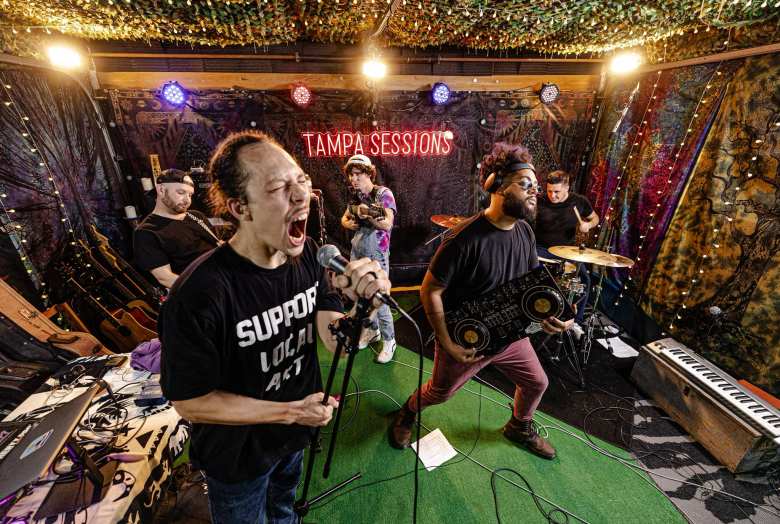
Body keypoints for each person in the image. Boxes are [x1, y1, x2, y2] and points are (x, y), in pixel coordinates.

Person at [158, 131, 391, 524]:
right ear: (240, 208)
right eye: (280, 187)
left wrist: (362, 309)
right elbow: (189, 401)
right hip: (238, 458)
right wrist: (288, 412)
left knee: (283, 510)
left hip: (294, 437)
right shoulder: (200, 292)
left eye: (300, 180)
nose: (302, 196)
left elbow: (336, 341)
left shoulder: (309, 261)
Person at [389, 143, 573, 460]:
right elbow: (429, 290)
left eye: (536, 188)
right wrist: (446, 342)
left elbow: (531, 285)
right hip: (468, 340)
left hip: (510, 338)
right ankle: (407, 412)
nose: (534, 193)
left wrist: (550, 315)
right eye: (525, 185)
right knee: (439, 393)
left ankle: (518, 426)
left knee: (537, 382)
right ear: (495, 185)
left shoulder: (526, 233)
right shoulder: (462, 239)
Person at [340, 154, 398, 364]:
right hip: (357, 254)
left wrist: (368, 214)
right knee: (362, 299)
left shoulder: (383, 194)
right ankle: (373, 332)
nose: (354, 179)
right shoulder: (355, 196)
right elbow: (344, 217)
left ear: (369, 174)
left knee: (380, 301)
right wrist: (348, 223)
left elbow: (387, 224)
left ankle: (390, 340)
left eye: (358, 174)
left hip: (376, 256)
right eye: (351, 175)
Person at [133, 169, 221, 289]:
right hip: (204, 291)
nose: (187, 200)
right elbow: (165, 278)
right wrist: (208, 288)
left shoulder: (195, 216)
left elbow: (218, 245)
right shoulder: (146, 232)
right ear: (161, 190)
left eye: (190, 195)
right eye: (181, 192)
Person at [534, 170, 599, 324]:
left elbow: (594, 217)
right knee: (535, 278)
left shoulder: (579, 201)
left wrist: (588, 224)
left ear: (567, 188)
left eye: (557, 192)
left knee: (584, 280)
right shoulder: (539, 200)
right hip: (540, 249)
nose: (552, 195)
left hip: (566, 251)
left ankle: (575, 322)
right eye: (549, 191)